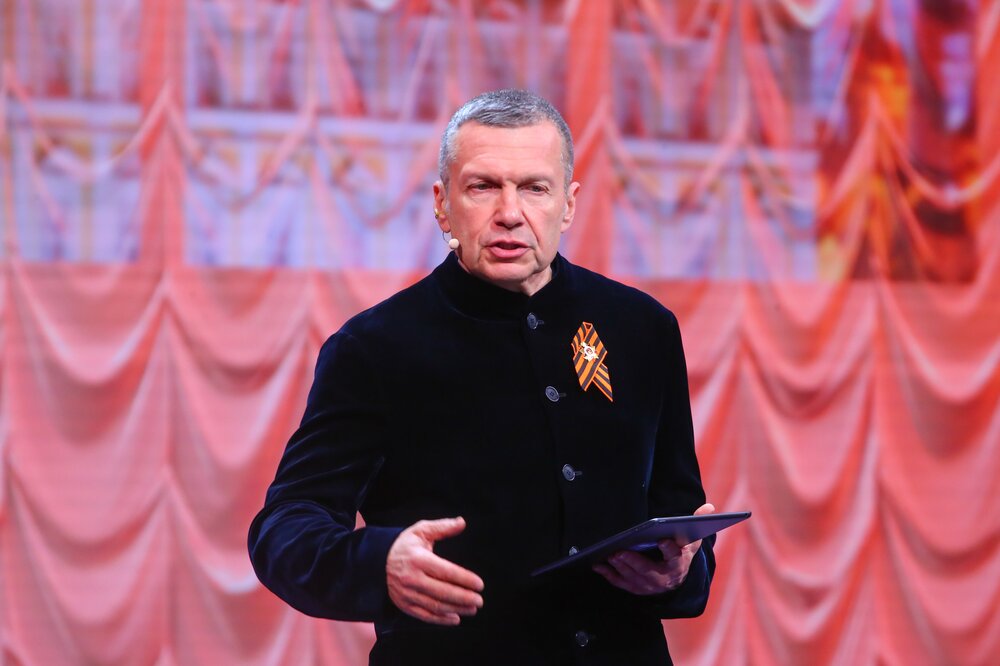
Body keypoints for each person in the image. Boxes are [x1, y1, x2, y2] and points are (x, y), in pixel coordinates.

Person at [248, 89, 716, 665]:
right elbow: (284, 528)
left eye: (534, 188)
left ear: (568, 204)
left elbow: (682, 520)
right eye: (483, 187)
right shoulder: (373, 348)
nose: (510, 212)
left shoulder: (643, 328)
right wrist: (378, 562)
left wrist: (679, 574)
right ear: (443, 204)